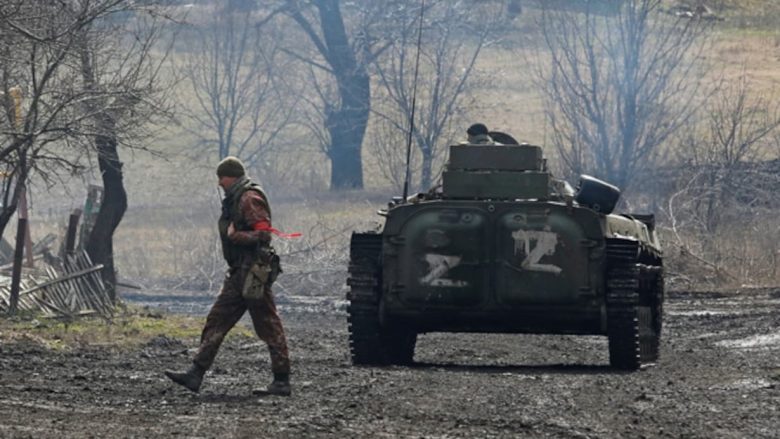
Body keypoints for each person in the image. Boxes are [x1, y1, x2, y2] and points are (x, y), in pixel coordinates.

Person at [164, 157, 291, 396]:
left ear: (231, 176)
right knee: (217, 320)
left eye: (221, 177)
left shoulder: (248, 198)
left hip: (254, 273)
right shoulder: (236, 197)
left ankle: (281, 381)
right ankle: (195, 374)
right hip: (239, 273)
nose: (219, 183)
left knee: (268, 324)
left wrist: (237, 237)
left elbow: (264, 235)